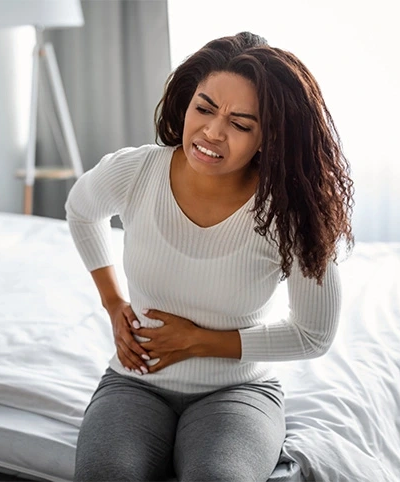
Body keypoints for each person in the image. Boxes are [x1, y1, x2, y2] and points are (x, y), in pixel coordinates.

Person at [64, 31, 355, 481]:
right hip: (134, 382)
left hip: (238, 392)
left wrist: (198, 340)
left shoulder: (288, 211)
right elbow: (81, 211)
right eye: (204, 109)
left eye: (240, 124)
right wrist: (113, 303)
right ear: (186, 103)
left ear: (269, 137)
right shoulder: (136, 171)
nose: (212, 133)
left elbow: (314, 334)